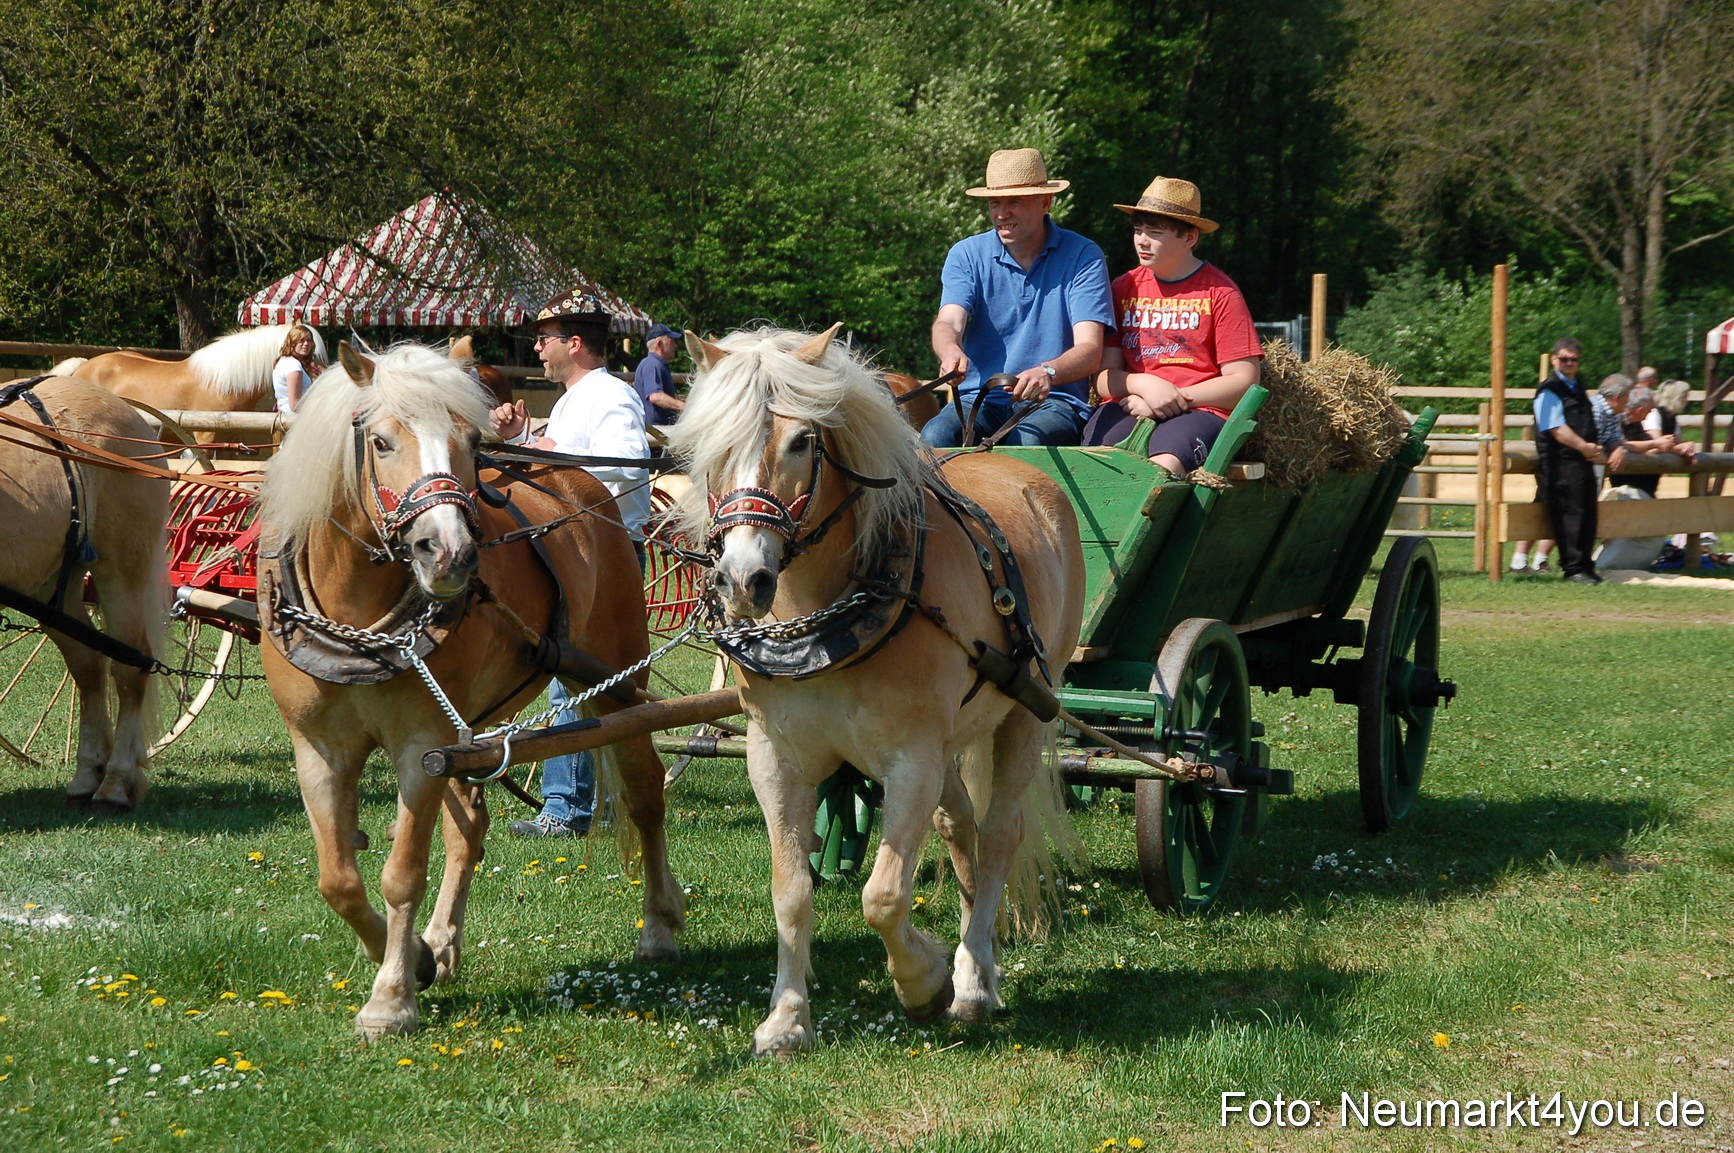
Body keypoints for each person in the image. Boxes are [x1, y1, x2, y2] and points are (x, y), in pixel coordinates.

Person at [488, 290, 651, 838]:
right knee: (565, 674)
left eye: (544, 339)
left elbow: (626, 468)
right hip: (572, 554)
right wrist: (522, 439)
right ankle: (573, 804)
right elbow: (557, 463)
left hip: (605, 558)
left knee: (571, 680)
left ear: (574, 343)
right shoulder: (571, 400)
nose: (536, 348)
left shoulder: (611, 397)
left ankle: (566, 811)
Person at [923, 148, 1112, 448]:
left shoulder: (1083, 256)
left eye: (1015, 202)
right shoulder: (966, 254)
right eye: (995, 202)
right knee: (933, 436)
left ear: (1046, 201)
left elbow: (1090, 349)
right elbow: (948, 321)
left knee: (1024, 442)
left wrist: (1047, 372)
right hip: (979, 398)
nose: (1001, 213)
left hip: (1052, 402)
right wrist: (949, 352)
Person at [1082, 175, 1262, 478]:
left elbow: (1244, 381)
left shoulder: (1220, 293)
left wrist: (1174, 397)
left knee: (1163, 465)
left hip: (1200, 410)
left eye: (1155, 232)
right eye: (1138, 230)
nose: (1142, 240)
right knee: (1096, 465)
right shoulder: (1123, 288)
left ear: (1190, 238)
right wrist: (1142, 387)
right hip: (1131, 402)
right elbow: (1102, 378)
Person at [1530, 341, 1625, 583]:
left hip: (1581, 460)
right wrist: (1584, 447)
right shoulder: (1549, 390)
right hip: (1560, 463)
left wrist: (1596, 448)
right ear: (1554, 360)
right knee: (1569, 515)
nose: (1570, 364)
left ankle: (1585, 565)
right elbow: (1555, 429)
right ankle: (1573, 569)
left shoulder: (1576, 387)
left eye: (1574, 359)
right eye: (1564, 359)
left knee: (1587, 513)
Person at [633, 323, 686, 428]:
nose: (675, 346)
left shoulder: (654, 364)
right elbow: (655, 396)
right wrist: (684, 407)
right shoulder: (653, 365)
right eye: (672, 341)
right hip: (656, 432)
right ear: (659, 344)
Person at [271, 324, 322, 413]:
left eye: (309, 340)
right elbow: (295, 405)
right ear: (293, 343)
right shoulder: (293, 365)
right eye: (301, 340)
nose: (306, 344)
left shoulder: (284, 361)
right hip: (295, 419)